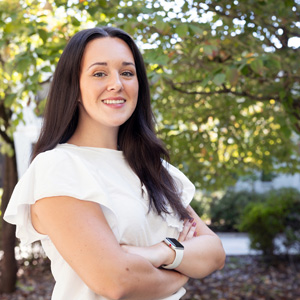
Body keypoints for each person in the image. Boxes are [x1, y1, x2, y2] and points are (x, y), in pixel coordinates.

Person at [4, 26, 225, 300]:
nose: (116, 84)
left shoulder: (153, 169)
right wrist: (182, 269)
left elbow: (214, 253)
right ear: (74, 87)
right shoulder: (59, 166)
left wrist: (159, 252)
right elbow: (116, 281)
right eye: (99, 73)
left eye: (127, 73)